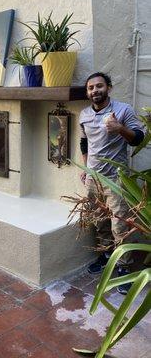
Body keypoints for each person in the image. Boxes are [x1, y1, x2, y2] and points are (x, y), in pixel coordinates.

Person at [79, 72, 145, 294]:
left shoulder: (123, 110)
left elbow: (139, 138)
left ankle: (124, 270)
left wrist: (120, 129)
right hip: (93, 178)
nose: (94, 91)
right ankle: (107, 256)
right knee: (98, 221)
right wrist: (85, 167)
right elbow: (84, 142)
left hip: (116, 179)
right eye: (90, 88)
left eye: (99, 86)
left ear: (108, 87)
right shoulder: (84, 114)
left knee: (120, 225)